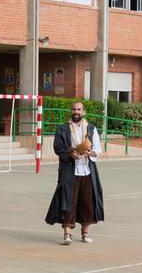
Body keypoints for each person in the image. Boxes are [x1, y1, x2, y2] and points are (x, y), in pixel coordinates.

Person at [45, 99, 105, 245]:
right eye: (73, 109)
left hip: (87, 171)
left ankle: (85, 234)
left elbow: (98, 149)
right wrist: (70, 154)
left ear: (83, 112)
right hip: (70, 171)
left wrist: (90, 152)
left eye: (79, 110)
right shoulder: (62, 129)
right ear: (71, 111)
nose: (76, 112)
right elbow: (58, 148)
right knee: (68, 202)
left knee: (87, 203)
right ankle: (67, 234)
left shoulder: (91, 129)